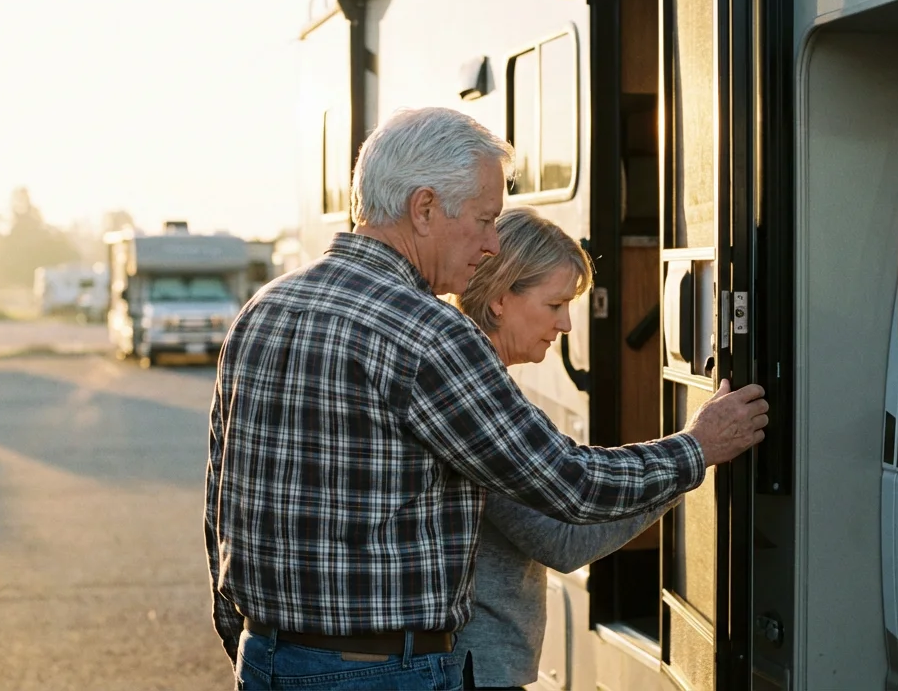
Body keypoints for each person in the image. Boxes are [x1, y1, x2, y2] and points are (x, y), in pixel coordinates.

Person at [204, 106, 768, 690]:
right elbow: (569, 485)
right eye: (484, 219)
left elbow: (220, 505)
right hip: (383, 672)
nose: (492, 243)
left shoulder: (264, 311)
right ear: (424, 209)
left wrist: (251, 641)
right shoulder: (425, 332)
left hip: (269, 658)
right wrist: (696, 448)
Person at [450, 206, 684, 689]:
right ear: (499, 299)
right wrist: (691, 461)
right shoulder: (480, 401)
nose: (568, 326)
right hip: (476, 671)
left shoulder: (483, 383)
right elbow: (563, 539)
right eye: (555, 305)